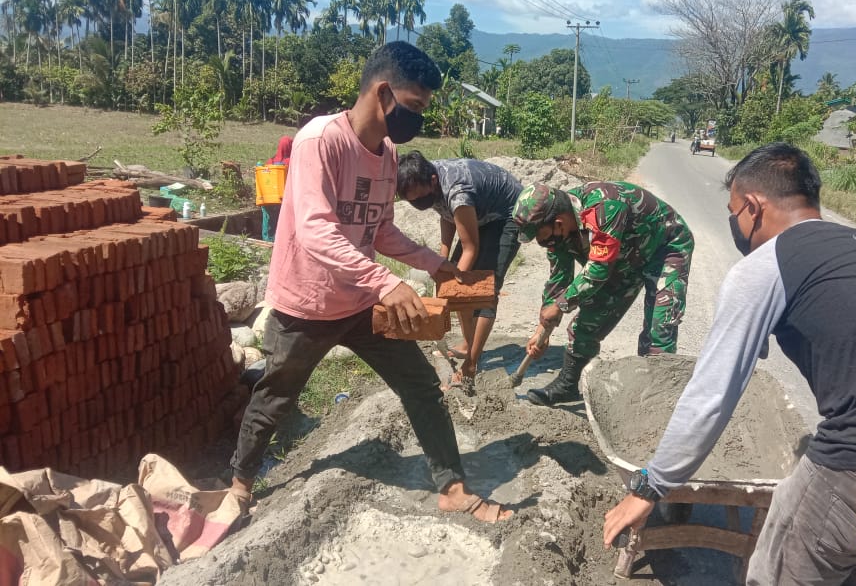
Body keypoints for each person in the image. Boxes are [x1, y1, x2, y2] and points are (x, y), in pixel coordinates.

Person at [602, 143, 856, 584]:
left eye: (733, 213)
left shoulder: (767, 266)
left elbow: (712, 393)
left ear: (752, 207)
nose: (734, 224)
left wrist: (652, 485)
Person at [228, 41, 512, 524]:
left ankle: (452, 487)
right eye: (414, 106)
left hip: (360, 303)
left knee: (421, 384)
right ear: (383, 94)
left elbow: (379, 229)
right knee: (277, 394)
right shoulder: (320, 141)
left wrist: (432, 264)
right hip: (307, 304)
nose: (417, 118)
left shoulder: (386, 156)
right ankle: (239, 483)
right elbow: (315, 228)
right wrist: (385, 282)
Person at [512, 181, 694, 407]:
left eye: (540, 235)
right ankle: (568, 384)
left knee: (659, 328)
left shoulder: (605, 206)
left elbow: (597, 271)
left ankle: (656, 403)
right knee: (589, 320)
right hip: (621, 260)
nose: (541, 243)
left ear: (558, 222)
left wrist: (559, 306)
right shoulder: (557, 234)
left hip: (664, 249)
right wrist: (543, 329)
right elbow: (559, 280)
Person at [397, 151, 523, 391]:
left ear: (432, 182)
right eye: (412, 201)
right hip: (481, 211)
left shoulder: (458, 191)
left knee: (483, 290)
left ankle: (471, 365)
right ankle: (468, 343)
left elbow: (471, 247)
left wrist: (452, 287)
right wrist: (442, 260)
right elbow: (447, 214)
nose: (417, 203)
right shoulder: (430, 180)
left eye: (419, 198)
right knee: (456, 285)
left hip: (507, 214)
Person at [260, 136, 293, 242]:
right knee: (283, 223)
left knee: (268, 220)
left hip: (269, 197)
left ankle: (267, 241)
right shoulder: (291, 162)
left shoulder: (270, 161)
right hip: (284, 199)